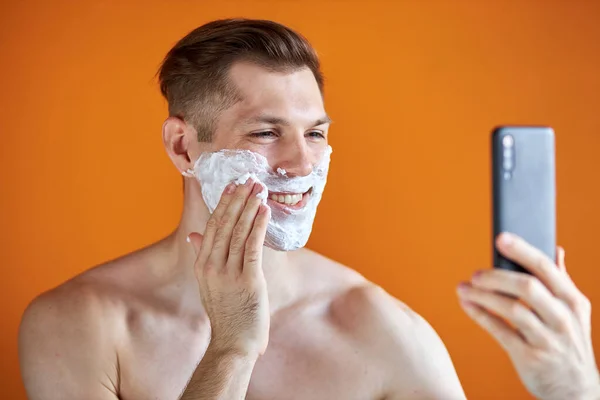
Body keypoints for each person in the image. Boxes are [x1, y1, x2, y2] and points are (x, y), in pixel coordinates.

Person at [18, 18, 599, 400]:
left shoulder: (378, 328)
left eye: (316, 133)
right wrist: (232, 349)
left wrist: (576, 390)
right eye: (267, 132)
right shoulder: (80, 324)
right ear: (181, 146)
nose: (301, 163)